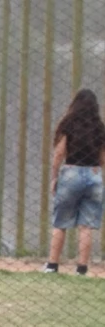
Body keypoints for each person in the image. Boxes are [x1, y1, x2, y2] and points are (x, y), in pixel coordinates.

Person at [44, 88, 105, 275]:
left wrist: (55, 177)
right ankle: (82, 268)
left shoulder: (68, 124)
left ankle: (53, 265)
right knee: (86, 225)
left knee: (61, 221)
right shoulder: (99, 127)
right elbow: (103, 157)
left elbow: (59, 153)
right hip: (94, 173)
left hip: (71, 172)